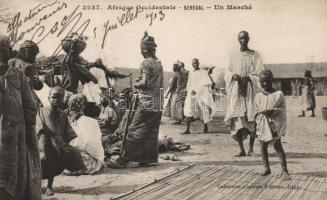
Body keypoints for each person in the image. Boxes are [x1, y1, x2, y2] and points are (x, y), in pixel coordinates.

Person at [107, 32, 163, 168]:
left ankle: (123, 159)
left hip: (145, 102)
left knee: (135, 129)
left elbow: (144, 82)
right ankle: (148, 159)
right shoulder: (158, 63)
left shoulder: (146, 63)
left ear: (144, 50)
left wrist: (136, 84)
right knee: (151, 131)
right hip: (158, 102)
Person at [0, 35, 41, 200]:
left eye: (4, 49)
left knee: (16, 178)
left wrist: (28, 131)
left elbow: (30, 104)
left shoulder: (17, 74)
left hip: (16, 137)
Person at [36, 87, 85, 196]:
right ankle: (37, 184)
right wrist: (43, 138)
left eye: (59, 98)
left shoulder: (63, 114)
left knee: (55, 162)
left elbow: (67, 130)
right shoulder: (41, 112)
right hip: (44, 142)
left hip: (57, 143)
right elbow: (38, 126)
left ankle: (49, 185)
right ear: (48, 98)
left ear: (62, 99)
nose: (55, 100)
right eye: (53, 97)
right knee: (40, 163)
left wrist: (64, 141)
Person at [224, 31, 264, 157]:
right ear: (238, 39)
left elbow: (259, 72)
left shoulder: (254, 55)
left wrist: (249, 77)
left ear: (249, 39)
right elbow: (227, 72)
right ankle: (241, 149)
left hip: (250, 90)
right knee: (238, 118)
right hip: (236, 89)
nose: (243, 40)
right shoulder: (233, 55)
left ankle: (251, 149)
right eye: (241, 38)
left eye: (245, 38)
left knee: (251, 117)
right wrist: (233, 75)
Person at [254, 70, 290, 180]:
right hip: (262, 124)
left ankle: (284, 170)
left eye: (267, 81)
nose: (264, 84)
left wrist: (272, 111)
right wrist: (257, 121)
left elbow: (282, 110)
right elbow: (256, 111)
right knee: (262, 146)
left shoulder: (278, 95)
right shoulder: (258, 96)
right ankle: (266, 168)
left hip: (274, 123)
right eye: (262, 81)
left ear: (272, 81)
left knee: (277, 145)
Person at [67, 94, 105, 174]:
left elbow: (84, 143)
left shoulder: (70, 119)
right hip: (96, 159)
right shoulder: (91, 121)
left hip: (89, 159)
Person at [183, 58, 215, 134]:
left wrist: (197, 91)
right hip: (191, 93)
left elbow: (205, 83)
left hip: (201, 93)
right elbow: (189, 82)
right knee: (189, 109)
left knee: (203, 109)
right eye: (194, 63)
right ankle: (187, 129)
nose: (195, 64)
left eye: (196, 63)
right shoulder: (191, 72)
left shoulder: (203, 72)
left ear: (199, 63)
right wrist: (189, 90)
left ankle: (205, 127)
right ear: (192, 64)